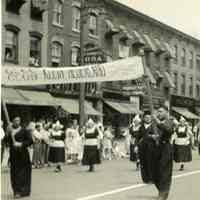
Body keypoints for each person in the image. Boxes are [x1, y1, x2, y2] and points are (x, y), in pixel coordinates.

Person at [138, 106, 174, 200]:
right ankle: (162, 191)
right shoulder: (153, 123)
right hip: (155, 149)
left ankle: (163, 193)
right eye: (158, 112)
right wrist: (152, 136)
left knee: (164, 172)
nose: (159, 113)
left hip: (165, 148)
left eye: (161, 111)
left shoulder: (169, 121)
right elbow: (146, 134)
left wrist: (157, 122)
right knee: (155, 172)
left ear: (166, 112)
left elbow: (168, 130)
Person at [6, 117, 33, 198]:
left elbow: (30, 141)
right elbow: (6, 141)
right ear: (12, 122)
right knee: (14, 173)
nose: (17, 122)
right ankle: (16, 191)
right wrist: (7, 134)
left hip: (23, 155)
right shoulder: (10, 131)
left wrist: (21, 144)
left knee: (23, 173)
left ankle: (24, 191)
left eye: (18, 120)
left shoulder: (24, 131)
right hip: (14, 155)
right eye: (15, 120)